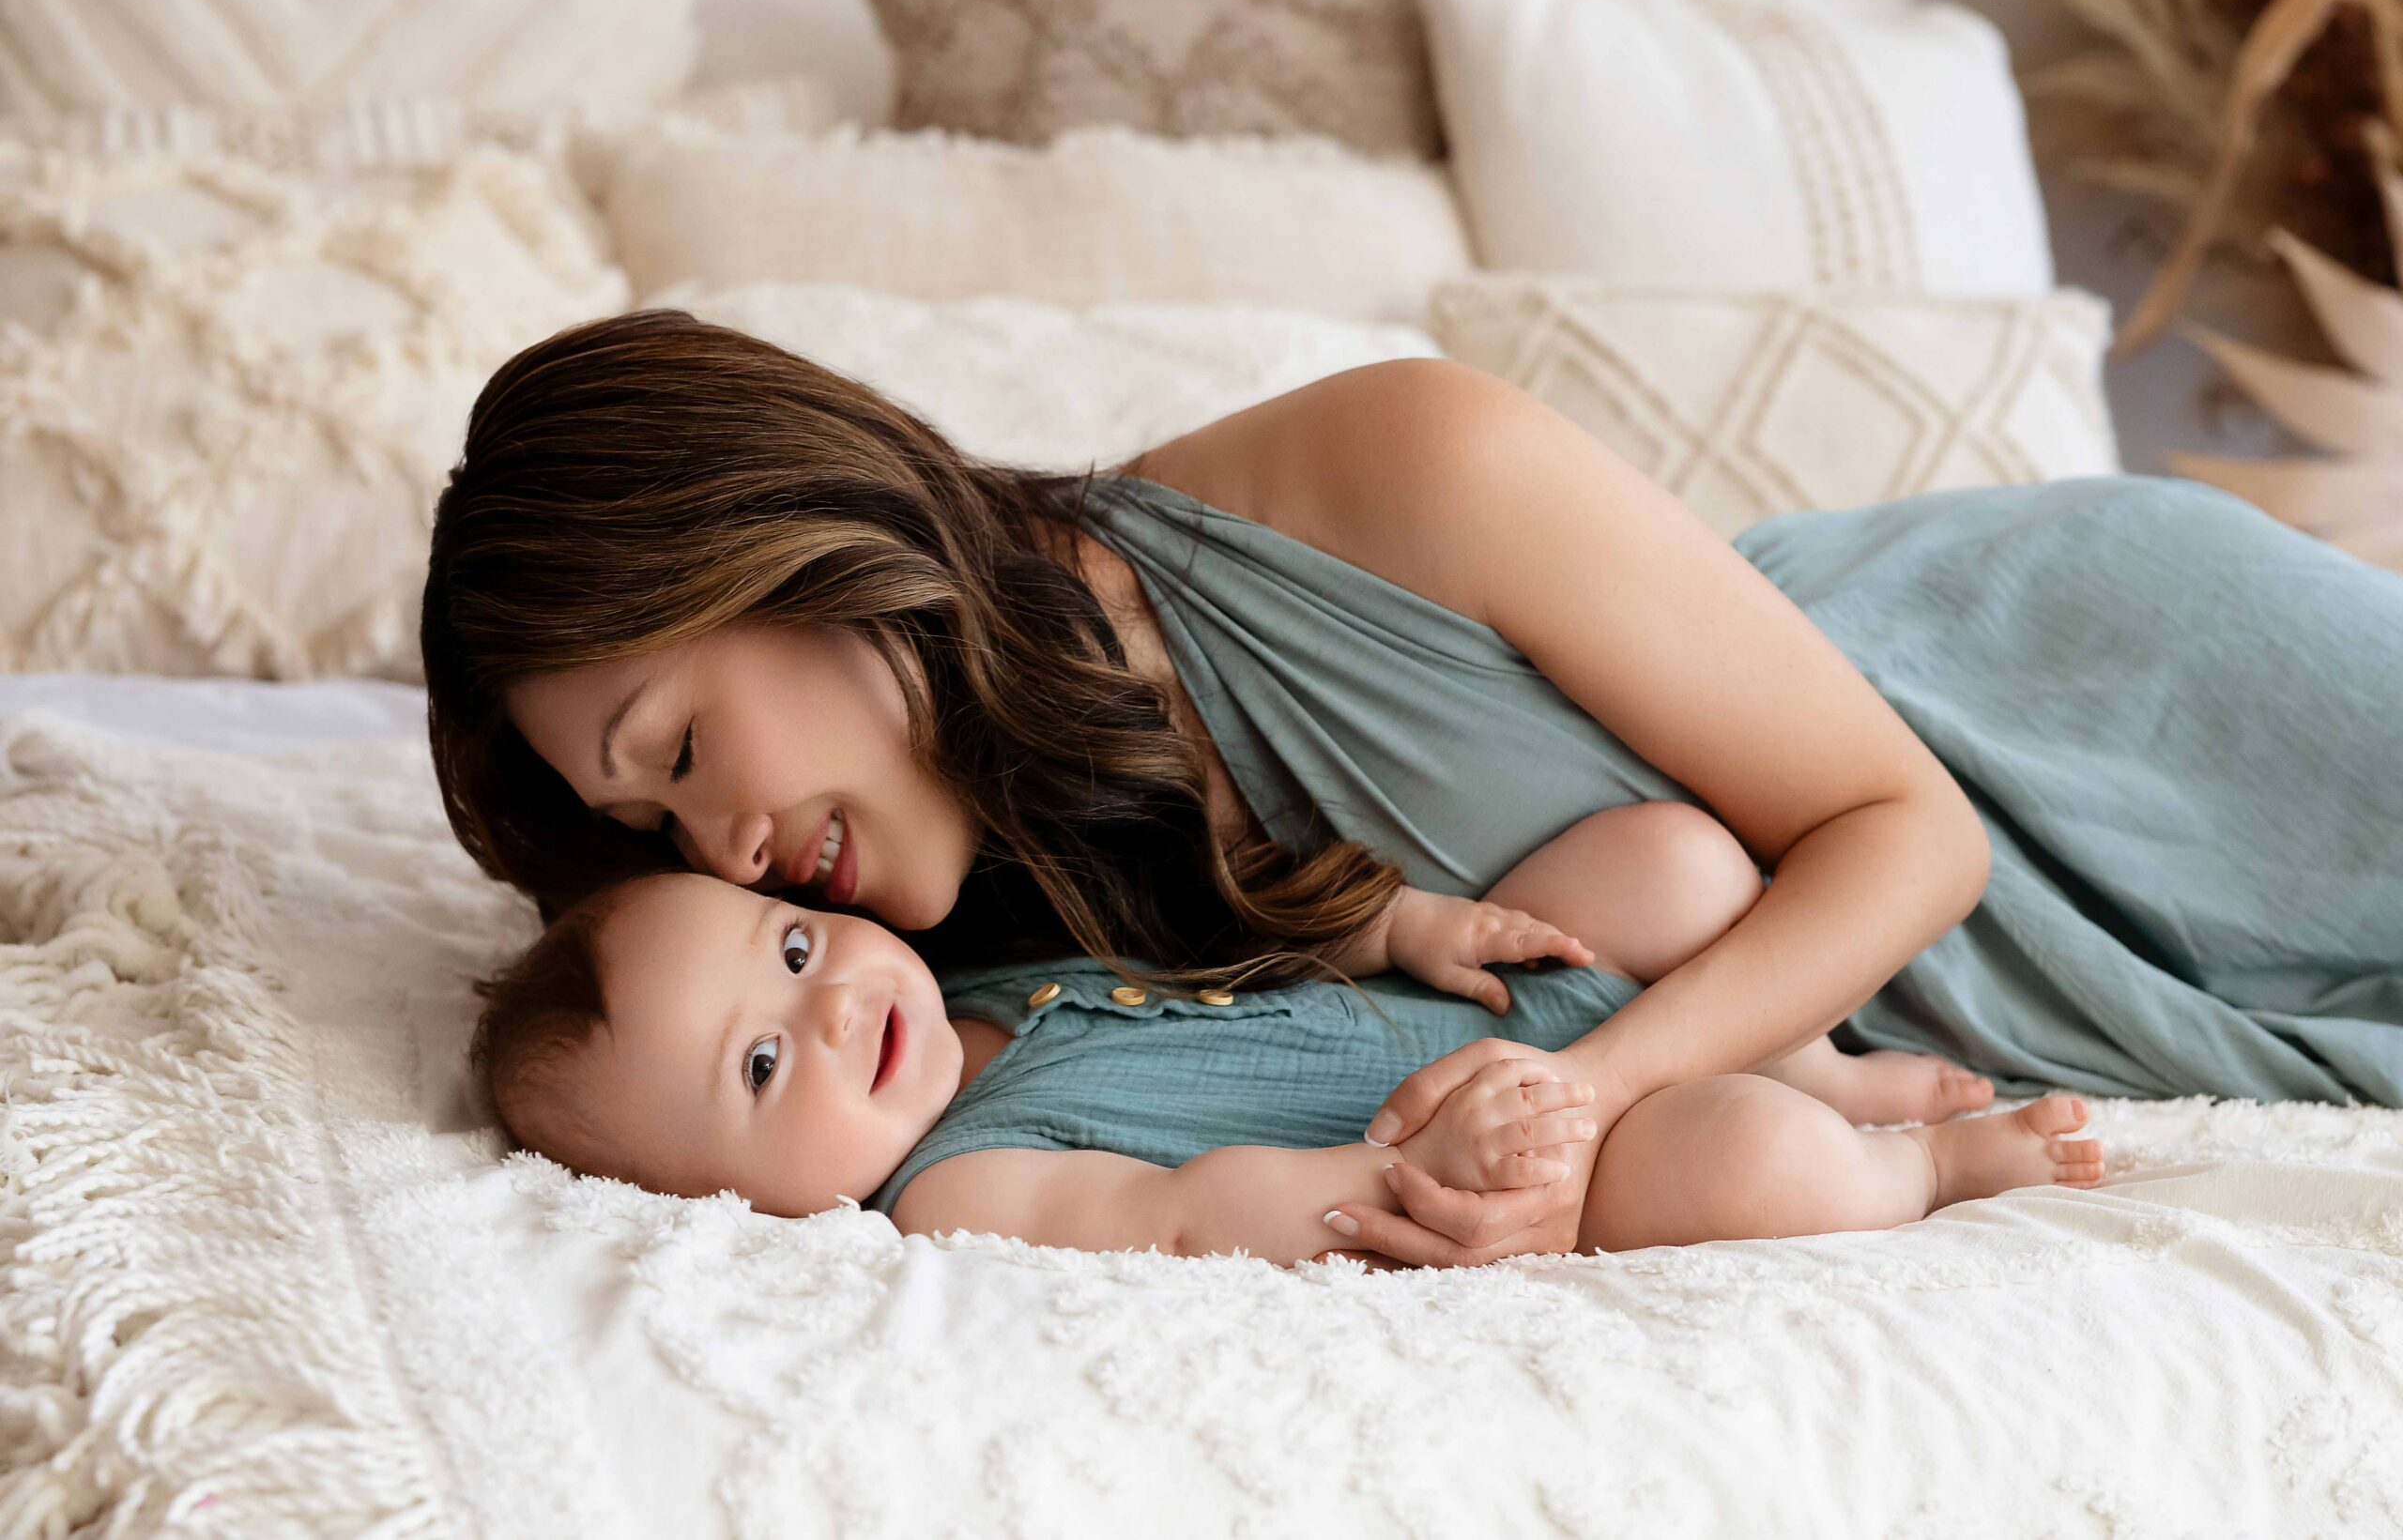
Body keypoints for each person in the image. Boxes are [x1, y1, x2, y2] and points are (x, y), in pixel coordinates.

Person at [423, 310, 2403, 1268]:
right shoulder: (964, 1005)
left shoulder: (1386, 463)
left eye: (681, 756)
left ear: (797, 545)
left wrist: (1587, 1101)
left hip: (2087, 697)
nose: (723, 849)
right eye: (657, 835)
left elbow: (1908, 835)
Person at [467, 805, 2098, 1261]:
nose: (828, 1010)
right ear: (724, 1204)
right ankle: (1926, 1162)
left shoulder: (983, 977)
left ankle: (1809, 1043)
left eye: (796, 944)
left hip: (1483, 1012)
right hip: (1522, 1156)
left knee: (1669, 859)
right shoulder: (959, 1189)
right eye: (761, 1067)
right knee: (1754, 1162)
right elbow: (1189, 1212)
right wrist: (1407, 1177)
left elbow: (1225, 934)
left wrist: (1408, 928)